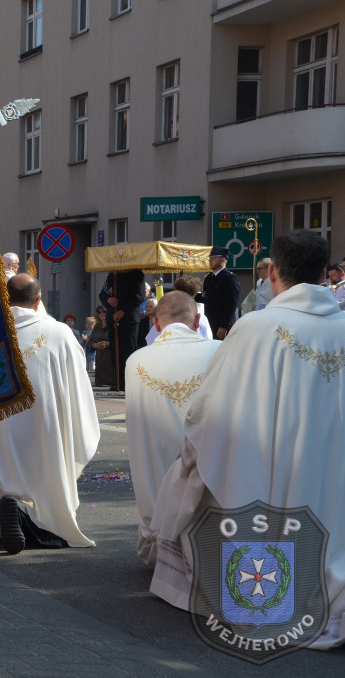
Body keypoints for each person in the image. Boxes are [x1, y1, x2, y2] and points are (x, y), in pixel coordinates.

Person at [149, 232, 345, 650]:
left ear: (272, 273)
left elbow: (211, 412)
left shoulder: (256, 328)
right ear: (324, 272)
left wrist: (192, 450)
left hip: (274, 469)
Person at [0, 274, 100, 555]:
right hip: (43, 434)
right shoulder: (60, 333)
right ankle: (24, 512)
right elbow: (78, 390)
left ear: (4, 297)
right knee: (47, 508)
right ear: (38, 301)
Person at [124, 291, 218, 566]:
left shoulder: (136, 361)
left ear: (156, 324)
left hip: (156, 498)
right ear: (197, 320)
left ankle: (159, 534)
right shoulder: (220, 352)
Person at [99, 269, 145, 390]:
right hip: (112, 318)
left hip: (128, 318)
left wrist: (123, 311)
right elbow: (102, 294)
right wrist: (107, 300)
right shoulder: (111, 274)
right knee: (115, 351)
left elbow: (138, 296)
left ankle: (130, 382)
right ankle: (119, 382)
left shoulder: (136, 273)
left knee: (128, 351)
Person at [144, 276, 211, 345]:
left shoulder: (165, 313)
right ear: (195, 294)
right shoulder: (200, 317)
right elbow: (208, 339)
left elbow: (151, 341)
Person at [199, 246, 240, 339]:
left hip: (222, 326)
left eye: (213, 258)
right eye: (209, 258)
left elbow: (231, 304)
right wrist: (189, 293)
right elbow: (207, 298)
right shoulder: (209, 278)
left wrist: (224, 325)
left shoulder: (229, 278)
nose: (210, 261)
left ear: (223, 259)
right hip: (210, 323)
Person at [88, 306, 115, 388]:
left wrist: (108, 344)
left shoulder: (114, 324)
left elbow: (119, 340)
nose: (102, 314)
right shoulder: (97, 326)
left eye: (104, 311)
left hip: (111, 359)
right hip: (100, 362)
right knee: (100, 386)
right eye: (99, 312)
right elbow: (90, 342)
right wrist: (96, 345)